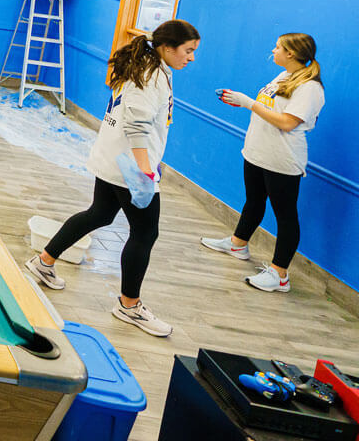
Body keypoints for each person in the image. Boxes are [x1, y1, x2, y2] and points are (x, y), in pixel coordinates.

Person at [26, 19, 201, 337]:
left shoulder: (149, 64)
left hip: (114, 159)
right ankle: (129, 305)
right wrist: (147, 169)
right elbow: (137, 126)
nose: (191, 57)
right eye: (188, 51)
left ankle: (44, 261)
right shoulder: (151, 75)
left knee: (100, 214)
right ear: (167, 47)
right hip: (129, 167)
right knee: (145, 234)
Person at [201, 33, 325, 293]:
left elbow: (287, 122)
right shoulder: (283, 77)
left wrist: (247, 103)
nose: (274, 50)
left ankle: (280, 275)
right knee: (254, 202)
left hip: (282, 160)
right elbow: (270, 109)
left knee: (285, 216)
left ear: (290, 53)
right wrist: (243, 102)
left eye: (278, 47)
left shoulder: (310, 88)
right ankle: (238, 244)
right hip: (257, 153)